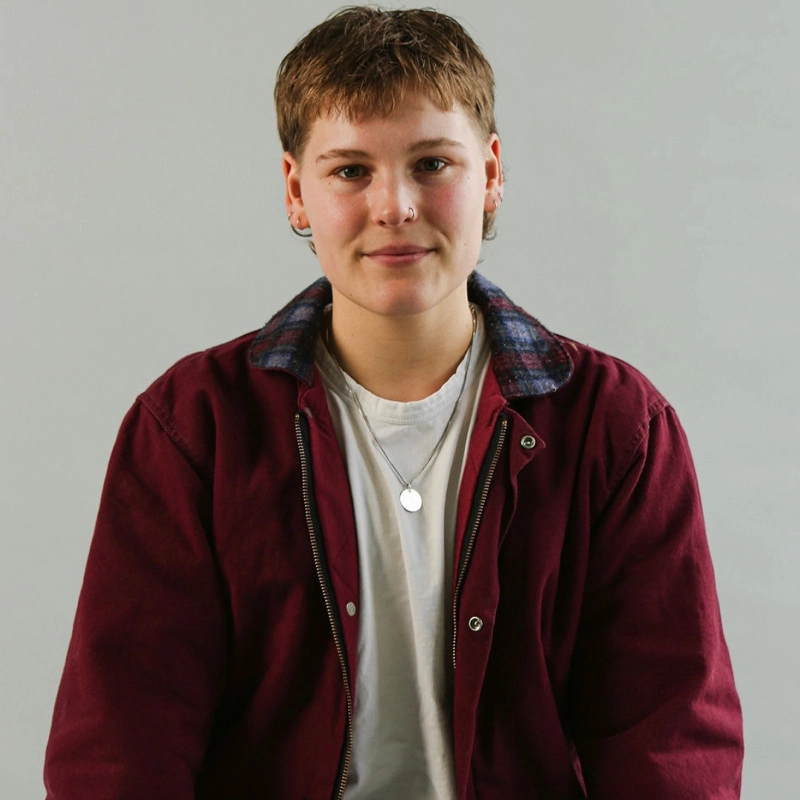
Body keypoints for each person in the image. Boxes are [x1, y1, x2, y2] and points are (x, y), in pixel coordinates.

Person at [44, 6, 744, 799]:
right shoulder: (194, 430)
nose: (395, 207)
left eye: (432, 164)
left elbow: (669, 744)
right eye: (350, 170)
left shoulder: (616, 428)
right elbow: (122, 744)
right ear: (295, 191)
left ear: (492, 172)